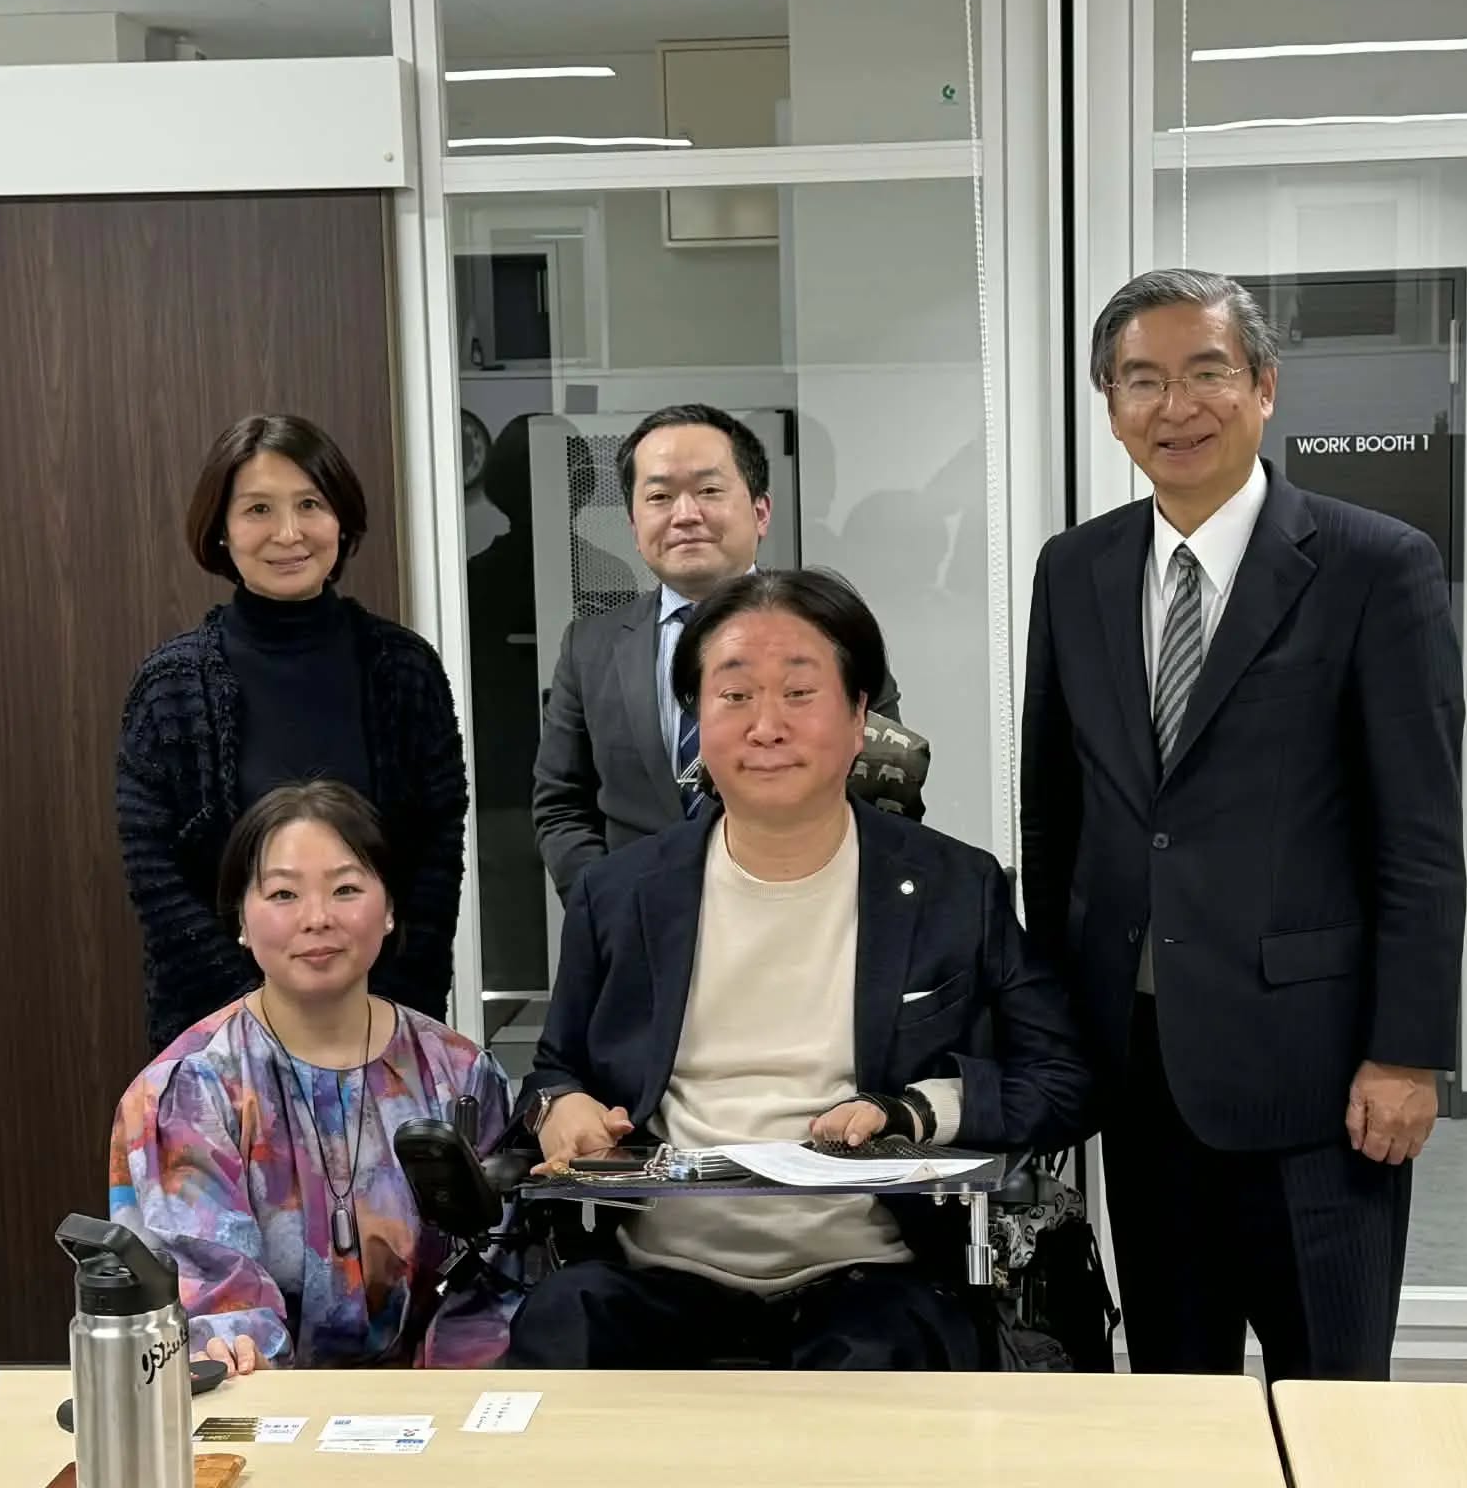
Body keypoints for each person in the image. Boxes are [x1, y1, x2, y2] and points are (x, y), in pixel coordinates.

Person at [1020, 268, 1465, 1383]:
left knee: (1332, 1402)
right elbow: (1054, 814)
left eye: (1206, 373)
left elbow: (1417, 839)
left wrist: (1407, 1053)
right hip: (1138, 1069)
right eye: (1141, 380)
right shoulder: (1074, 570)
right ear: (1110, 407)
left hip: (1319, 1077)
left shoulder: (1374, 566)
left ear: (1263, 387)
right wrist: (1056, 1033)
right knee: (1176, 1396)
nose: (1175, 406)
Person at [505, 568, 1088, 1370]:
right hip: (656, 1271)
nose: (766, 726)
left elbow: (1062, 1080)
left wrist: (920, 1110)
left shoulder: (954, 886)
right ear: (697, 721)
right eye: (735, 696)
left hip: (872, 1275)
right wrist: (558, 1106)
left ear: (858, 718)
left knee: (890, 1359)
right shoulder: (620, 893)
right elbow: (552, 1070)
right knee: (559, 1330)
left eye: (800, 694)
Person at [110, 780, 512, 1371]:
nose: (317, 918)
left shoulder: (461, 1076)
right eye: (283, 894)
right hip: (262, 1405)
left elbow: (494, 1284)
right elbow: (215, 1302)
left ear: (389, 908)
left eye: (346, 889)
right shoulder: (188, 1090)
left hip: (442, 1408)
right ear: (241, 919)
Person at [117, 414, 468, 1050]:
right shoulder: (170, 686)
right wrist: (264, 1021)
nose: (288, 533)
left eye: (310, 504)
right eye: (258, 509)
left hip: (383, 1027)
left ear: (341, 519)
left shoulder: (405, 669)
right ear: (221, 529)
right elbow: (156, 874)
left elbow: (436, 855)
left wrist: (384, 1011)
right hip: (218, 1041)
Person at [530, 403, 905, 897]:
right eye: (660, 496)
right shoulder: (590, 647)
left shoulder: (833, 629)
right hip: (640, 918)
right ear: (634, 527)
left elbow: (887, 789)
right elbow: (562, 804)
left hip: (806, 910)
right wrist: (604, 905)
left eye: (709, 491)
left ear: (761, 511)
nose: (685, 515)